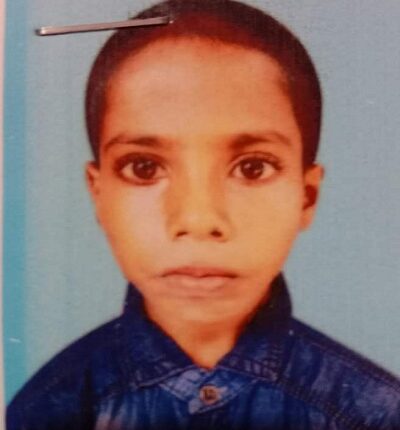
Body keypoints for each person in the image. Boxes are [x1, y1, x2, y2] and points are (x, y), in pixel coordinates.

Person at [7, 0, 400, 429]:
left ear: (306, 196)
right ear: (98, 194)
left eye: (252, 168)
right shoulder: (45, 411)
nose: (198, 220)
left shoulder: (375, 413)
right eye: (144, 167)